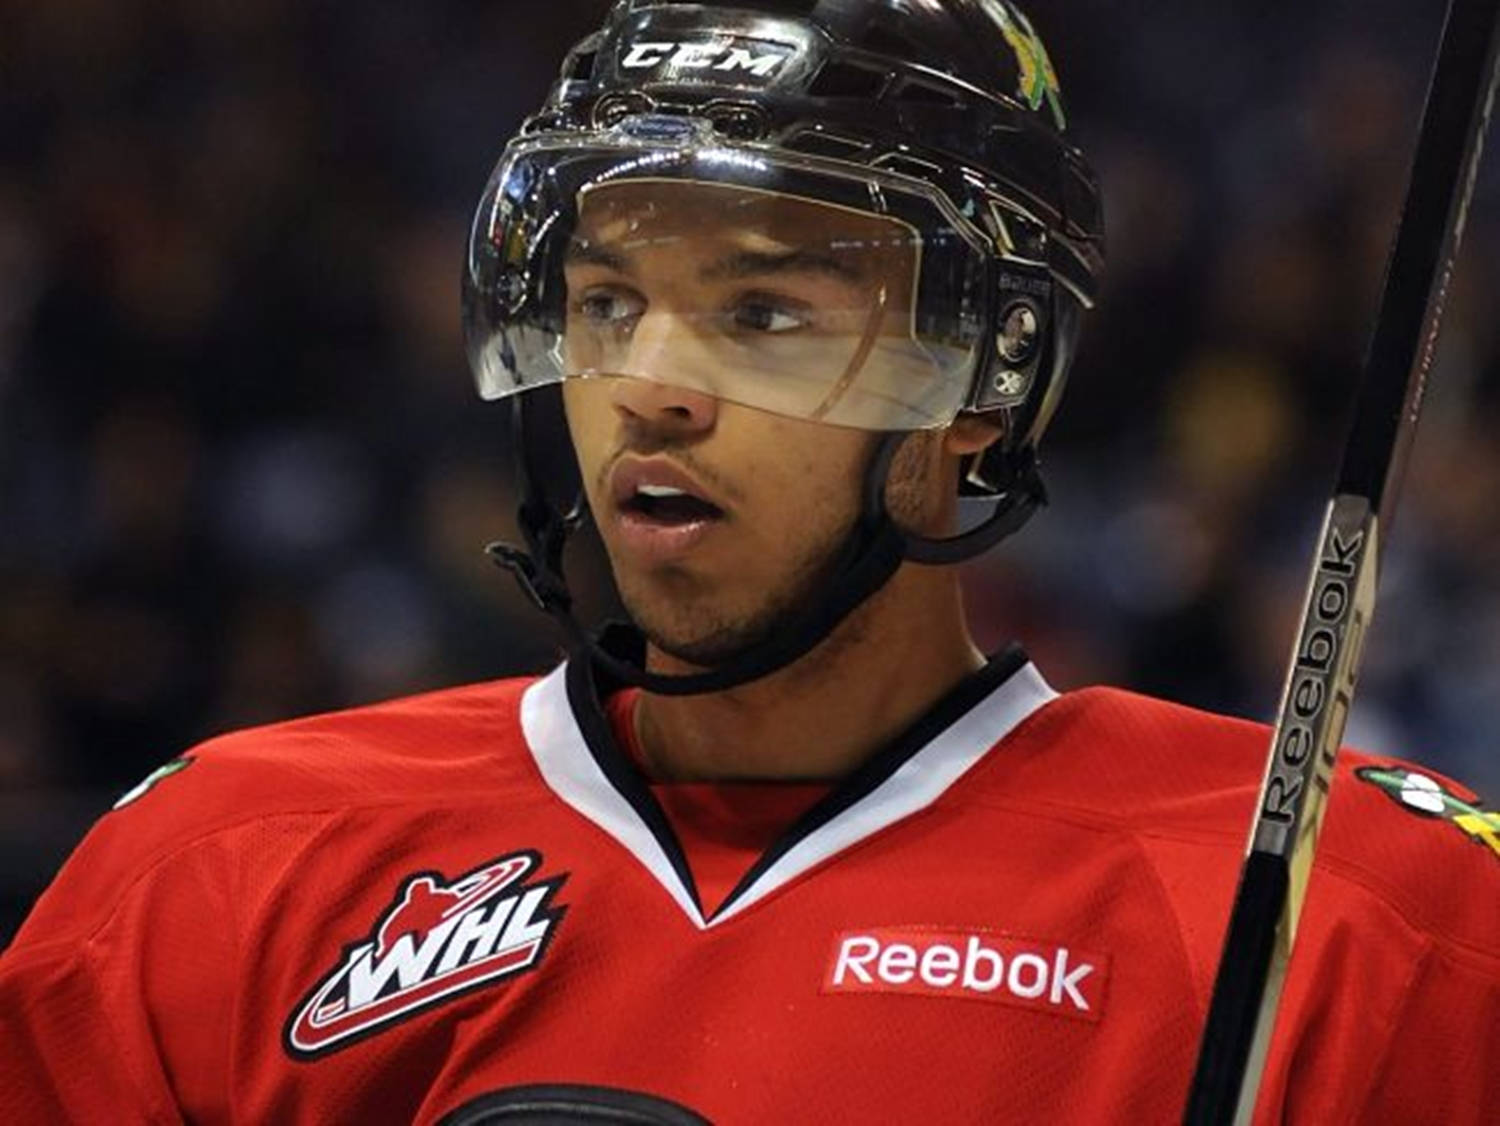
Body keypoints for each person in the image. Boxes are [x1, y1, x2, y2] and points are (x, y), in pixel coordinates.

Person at [2, 1, 1497, 1122]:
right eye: (605, 301)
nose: (650, 384)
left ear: (983, 382)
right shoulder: (216, 877)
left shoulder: (1368, 926)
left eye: (763, 314)